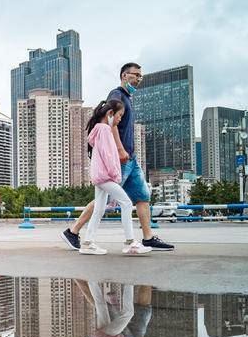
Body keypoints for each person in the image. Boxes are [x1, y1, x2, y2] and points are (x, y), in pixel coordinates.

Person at [63, 62, 174, 252]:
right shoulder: (117, 95)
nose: (138, 78)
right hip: (119, 159)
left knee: (142, 197)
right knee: (107, 201)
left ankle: (147, 238)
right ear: (124, 75)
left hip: (131, 158)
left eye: (141, 76)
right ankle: (74, 231)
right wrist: (121, 151)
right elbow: (111, 125)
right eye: (135, 75)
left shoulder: (129, 98)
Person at [80, 99, 151, 255]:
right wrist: (116, 176)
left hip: (99, 176)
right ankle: (130, 243)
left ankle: (87, 243)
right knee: (126, 203)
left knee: (99, 209)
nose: (120, 119)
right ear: (110, 113)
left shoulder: (99, 130)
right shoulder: (105, 130)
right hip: (106, 176)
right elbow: (109, 156)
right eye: (119, 115)